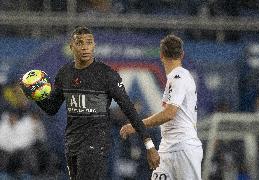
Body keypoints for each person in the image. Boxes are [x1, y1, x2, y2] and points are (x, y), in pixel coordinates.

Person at [21, 26, 159, 179]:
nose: (85, 47)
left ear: (94, 46)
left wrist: (149, 146)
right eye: (80, 43)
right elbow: (52, 108)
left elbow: (130, 111)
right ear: (71, 47)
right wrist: (37, 96)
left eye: (89, 42)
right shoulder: (64, 74)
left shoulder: (106, 74)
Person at [120, 34, 203, 179]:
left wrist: (137, 125)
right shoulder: (175, 78)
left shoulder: (179, 77)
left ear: (161, 55)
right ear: (182, 55)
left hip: (183, 148)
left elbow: (170, 113)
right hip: (169, 148)